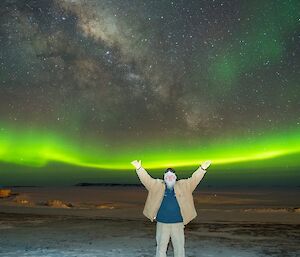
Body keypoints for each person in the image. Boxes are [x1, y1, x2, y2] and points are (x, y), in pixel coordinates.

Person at [131, 159, 211, 257]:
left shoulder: (184, 185)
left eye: (171, 176)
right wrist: (139, 168)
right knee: (161, 249)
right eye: (167, 176)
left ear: (175, 178)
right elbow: (146, 179)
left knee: (179, 249)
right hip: (162, 223)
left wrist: (202, 169)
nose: (169, 178)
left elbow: (194, 179)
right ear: (164, 178)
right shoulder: (156, 185)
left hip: (178, 223)